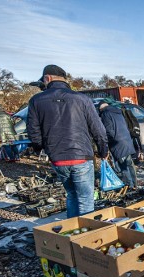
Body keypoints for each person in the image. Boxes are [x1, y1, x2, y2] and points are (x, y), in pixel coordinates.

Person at [27, 65, 108, 218]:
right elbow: (99, 129)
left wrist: (41, 149)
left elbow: (33, 132)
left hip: (58, 158)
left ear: (47, 78)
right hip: (81, 157)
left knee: (71, 195)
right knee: (85, 199)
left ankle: (72, 233)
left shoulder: (36, 101)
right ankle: (85, 236)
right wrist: (103, 151)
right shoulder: (82, 99)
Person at [99, 102, 138, 188]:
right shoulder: (118, 112)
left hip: (117, 143)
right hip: (127, 141)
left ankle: (129, 186)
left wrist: (107, 143)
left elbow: (109, 131)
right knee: (129, 164)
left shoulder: (105, 114)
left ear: (101, 109)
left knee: (123, 167)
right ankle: (135, 184)